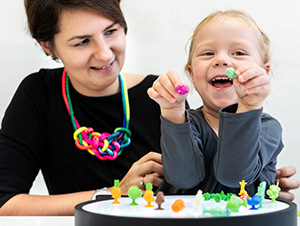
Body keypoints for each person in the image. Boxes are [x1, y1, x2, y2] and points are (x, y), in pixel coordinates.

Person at [0, 2, 297, 216]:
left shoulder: (164, 96)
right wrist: (109, 195)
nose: (104, 53)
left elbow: (213, 179)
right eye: (81, 42)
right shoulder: (40, 95)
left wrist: (262, 184)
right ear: (47, 46)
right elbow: (5, 202)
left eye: (111, 31)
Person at [148, 10, 293, 196]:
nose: (221, 60)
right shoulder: (185, 122)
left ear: (263, 72)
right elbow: (182, 178)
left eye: (239, 53)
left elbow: (235, 176)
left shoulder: (268, 128)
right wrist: (173, 110)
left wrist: (248, 106)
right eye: (208, 53)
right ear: (191, 74)